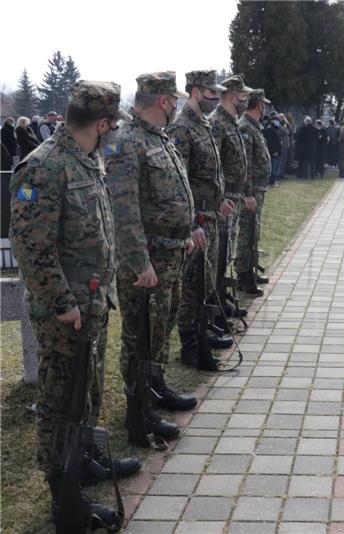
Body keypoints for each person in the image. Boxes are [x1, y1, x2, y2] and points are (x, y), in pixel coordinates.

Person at [9, 80, 140, 530]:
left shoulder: (86, 160)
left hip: (92, 308)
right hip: (65, 315)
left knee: (86, 395)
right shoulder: (44, 167)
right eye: (114, 126)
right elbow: (31, 248)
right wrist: (64, 303)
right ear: (101, 124)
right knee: (61, 404)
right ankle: (64, 501)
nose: (115, 134)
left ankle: (81, 466)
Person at [104, 71, 198, 447]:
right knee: (140, 334)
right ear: (163, 101)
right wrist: (139, 262)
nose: (176, 105)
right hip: (148, 262)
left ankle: (154, 391)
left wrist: (185, 232)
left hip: (170, 253)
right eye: (173, 100)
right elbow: (123, 210)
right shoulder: (126, 142)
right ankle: (138, 413)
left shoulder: (157, 139)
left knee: (160, 329)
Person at [165, 69, 235, 368]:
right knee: (192, 286)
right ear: (195, 92)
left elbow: (211, 174)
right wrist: (191, 222)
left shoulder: (203, 126)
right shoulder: (182, 129)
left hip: (211, 215)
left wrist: (221, 200)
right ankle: (190, 344)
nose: (216, 98)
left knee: (205, 283)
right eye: (211, 93)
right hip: (197, 221)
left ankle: (203, 332)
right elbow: (181, 183)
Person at [210, 74, 254, 321]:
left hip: (234, 196)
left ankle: (223, 299)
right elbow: (213, 166)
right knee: (219, 256)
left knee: (227, 253)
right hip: (224, 198)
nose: (246, 101)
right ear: (232, 97)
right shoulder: (217, 123)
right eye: (244, 97)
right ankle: (216, 305)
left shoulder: (232, 122)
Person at [236, 89, 271, 295]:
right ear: (258, 105)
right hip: (251, 192)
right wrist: (248, 193)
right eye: (263, 104)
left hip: (258, 190)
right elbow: (245, 165)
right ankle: (243, 277)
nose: (265, 107)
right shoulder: (245, 128)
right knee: (246, 234)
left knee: (254, 233)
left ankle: (251, 271)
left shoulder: (253, 127)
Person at [264, 114, 282, 186]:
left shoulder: (272, 128)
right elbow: (270, 141)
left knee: (274, 167)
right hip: (273, 152)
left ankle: (272, 181)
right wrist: (274, 151)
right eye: (277, 121)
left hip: (275, 151)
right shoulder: (270, 129)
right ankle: (272, 181)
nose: (278, 122)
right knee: (273, 168)